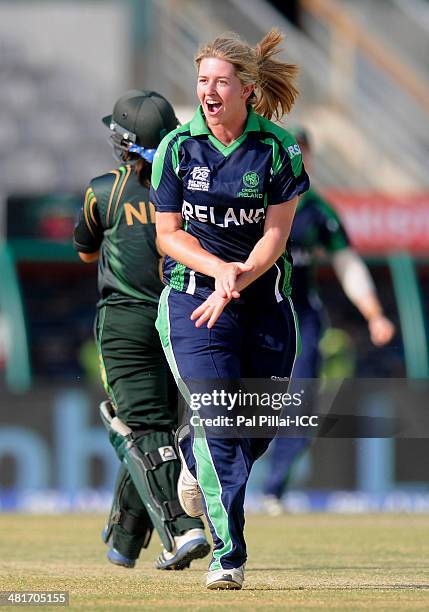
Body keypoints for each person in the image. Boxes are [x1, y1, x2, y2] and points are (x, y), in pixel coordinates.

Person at [151, 30, 310, 589]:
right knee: (221, 420)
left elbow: (276, 236)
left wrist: (236, 277)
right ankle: (229, 555)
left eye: (220, 81)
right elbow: (168, 236)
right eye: (202, 81)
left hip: (263, 303)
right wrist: (215, 273)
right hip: (195, 306)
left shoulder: (278, 148)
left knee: (254, 430)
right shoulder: (177, 148)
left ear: (245, 88)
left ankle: (192, 456)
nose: (209, 91)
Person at [73, 89, 210, 570]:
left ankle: (183, 530)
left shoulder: (103, 190)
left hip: (126, 321)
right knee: (157, 424)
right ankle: (125, 541)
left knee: (137, 427)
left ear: (124, 144)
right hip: (180, 316)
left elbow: (86, 251)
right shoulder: (194, 187)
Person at [262, 127, 395, 515]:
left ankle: (273, 490)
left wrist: (374, 314)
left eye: (302, 153)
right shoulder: (255, 201)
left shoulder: (319, 210)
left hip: (301, 318)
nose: (295, 160)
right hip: (254, 315)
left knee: (300, 404)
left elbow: (347, 263)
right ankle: (214, 482)